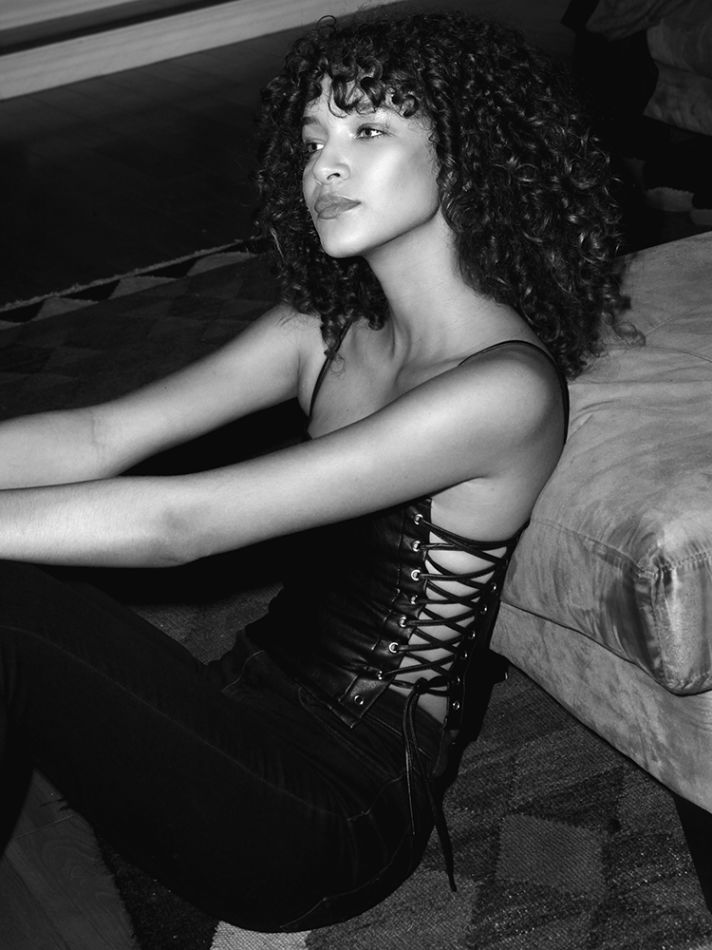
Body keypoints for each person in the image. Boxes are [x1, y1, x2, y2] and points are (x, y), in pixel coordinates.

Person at [0, 9, 628, 934]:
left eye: (367, 129)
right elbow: (99, 434)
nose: (323, 166)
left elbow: (183, 526)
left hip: (337, 812)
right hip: (241, 709)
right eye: (311, 139)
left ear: (466, 155)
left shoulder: (501, 390)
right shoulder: (322, 331)